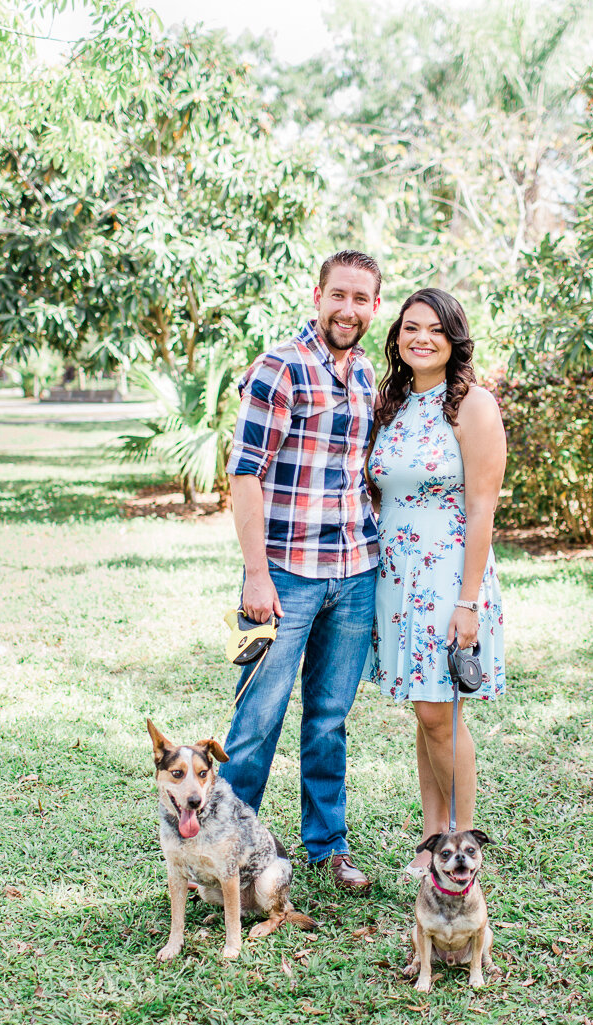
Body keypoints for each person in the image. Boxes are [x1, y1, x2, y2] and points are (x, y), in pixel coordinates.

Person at [220, 249, 384, 894]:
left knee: (329, 718)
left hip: (354, 574)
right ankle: (229, 848)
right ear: (317, 295)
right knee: (257, 718)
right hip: (283, 575)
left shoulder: (368, 374)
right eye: (337, 295)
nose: (348, 309)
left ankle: (328, 846)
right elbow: (244, 475)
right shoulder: (279, 368)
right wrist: (255, 576)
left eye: (361, 299)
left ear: (375, 305)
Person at [366, 288, 507, 880]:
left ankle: (462, 851)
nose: (420, 338)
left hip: (450, 579)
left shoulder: (472, 405)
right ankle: (431, 844)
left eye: (435, 330)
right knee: (425, 716)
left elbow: (482, 509)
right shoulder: (392, 402)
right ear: (397, 336)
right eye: (410, 327)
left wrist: (467, 601)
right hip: (397, 580)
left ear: (454, 341)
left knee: (440, 714)